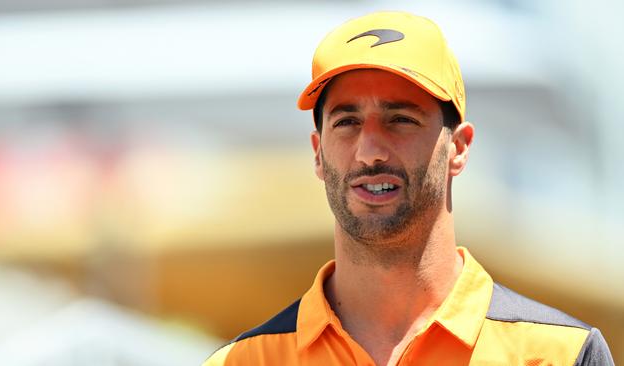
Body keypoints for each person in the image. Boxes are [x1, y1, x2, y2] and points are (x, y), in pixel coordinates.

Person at [204, 11, 614, 366]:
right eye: (346, 122)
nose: (369, 152)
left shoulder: (559, 354)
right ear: (318, 153)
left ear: (459, 147)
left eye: (400, 119)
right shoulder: (243, 361)